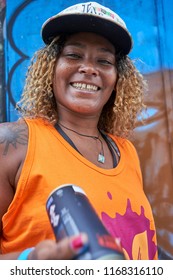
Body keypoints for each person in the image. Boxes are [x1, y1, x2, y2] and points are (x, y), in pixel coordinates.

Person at [0, 1, 158, 260]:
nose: (89, 68)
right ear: (51, 69)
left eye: (104, 60)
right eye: (74, 55)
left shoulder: (125, 151)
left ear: (117, 80)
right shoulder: (12, 145)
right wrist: (30, 263)